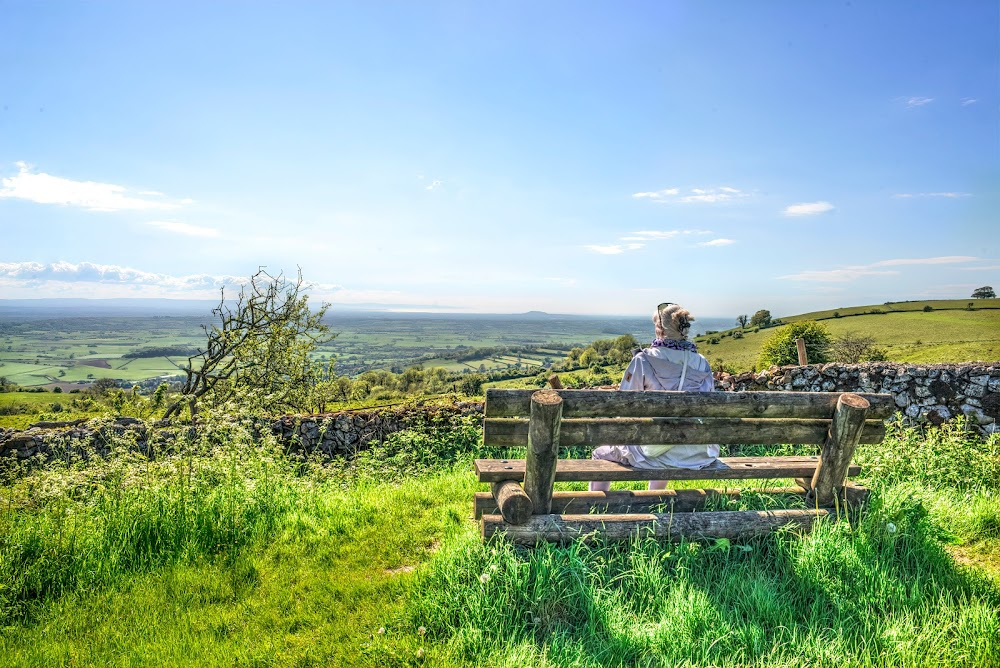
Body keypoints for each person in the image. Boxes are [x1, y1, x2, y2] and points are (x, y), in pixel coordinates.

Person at [590, 303, 719, 492]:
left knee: (602, 453)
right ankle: (655, 497)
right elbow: (709, 406)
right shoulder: (701, 362)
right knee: (663, 446)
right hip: (697, 453)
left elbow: (624, 404)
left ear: (659, 329)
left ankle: (593, 504)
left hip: (653, 453)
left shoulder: (644, 359)